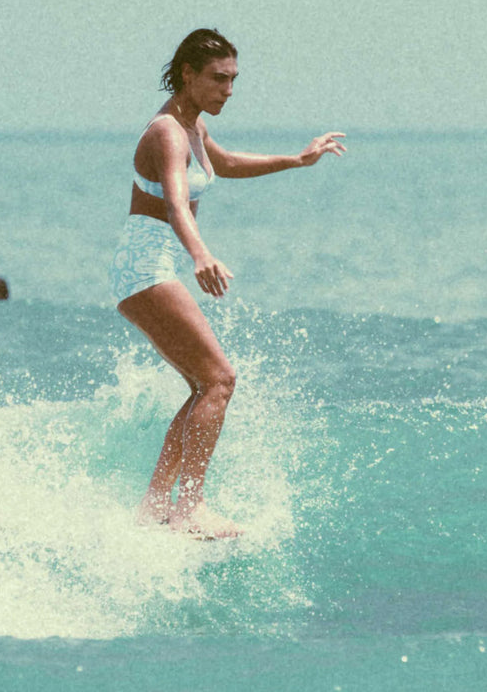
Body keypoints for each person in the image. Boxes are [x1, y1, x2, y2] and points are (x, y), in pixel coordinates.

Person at [110, 28, 346, 539]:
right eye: (219, 79)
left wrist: (297, 160)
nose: (228, 90)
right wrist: (201, 254)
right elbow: (175, 202)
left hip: (149, 271)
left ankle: (155, 508)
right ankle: (190, 510)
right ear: (188, 74)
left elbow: (226, 164)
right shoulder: (167, 133)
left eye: (234, 80)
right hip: (145, 270)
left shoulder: (192, 127)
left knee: (204, 385)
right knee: (220, 379)